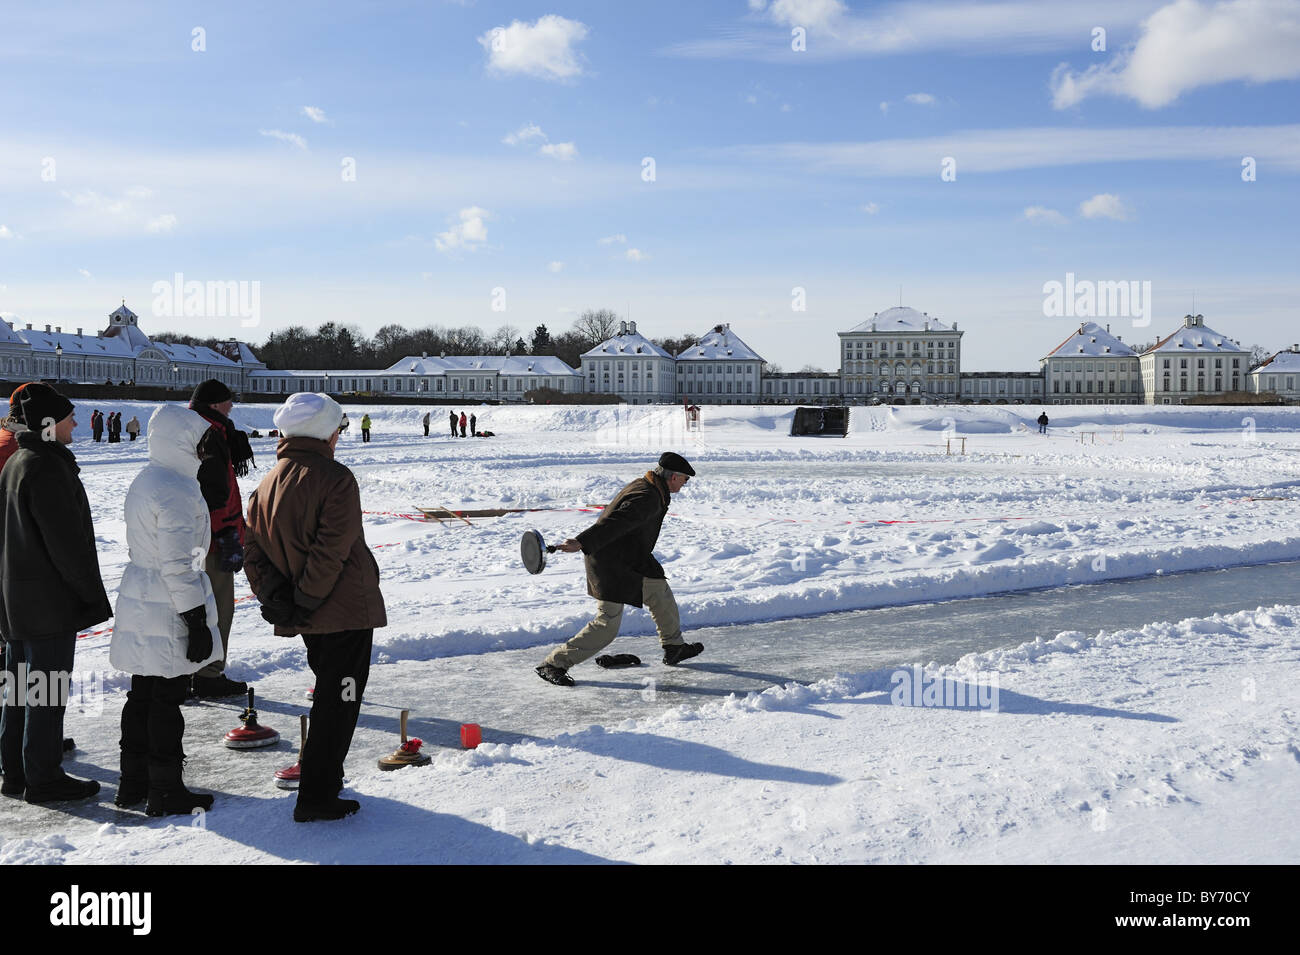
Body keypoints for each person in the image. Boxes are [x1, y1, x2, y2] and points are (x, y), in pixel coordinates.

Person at [243, 393, 386, 823]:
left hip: (307, 614)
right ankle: (318, 793)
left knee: (330, 695)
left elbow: (252, 551)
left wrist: (279, 601)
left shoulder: (268, 481)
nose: (340, 437)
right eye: (338, 430)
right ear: (327, 432)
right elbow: (331, 552)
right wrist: (301, 602)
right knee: (339, 700)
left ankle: (324, 780)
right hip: (340, 612)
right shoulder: (335, 478)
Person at [0, 383, 112, 802]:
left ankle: (14, 772)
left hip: (16, 602)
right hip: (46, 604)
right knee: (44, 695)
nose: (76, 422)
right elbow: (66, 545)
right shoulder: (46, 466)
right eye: (69, 416)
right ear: (49, 423)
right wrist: (88, 595)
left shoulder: (18, 462)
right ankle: (43, 778)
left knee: (18, 690)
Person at [110, 405, 223, 815]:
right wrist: (195, 620)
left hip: (143, 595)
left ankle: (133, 783)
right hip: (168, 600)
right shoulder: (175, 489)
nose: (204, 450)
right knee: (166, 698)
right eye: (199, 441)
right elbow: (179, 564)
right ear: (182, 442)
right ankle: (166, 788)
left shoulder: (148, 477)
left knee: (141, 694)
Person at [536, 452, 702, 687]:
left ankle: (674, 647)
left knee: (659, 591)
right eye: (685, 479)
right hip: (609, 563)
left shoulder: (650, 486)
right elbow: (616, 523)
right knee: (607, 623)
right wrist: (582, 541)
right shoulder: (647, 496)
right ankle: (553, 664)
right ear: (673, 477)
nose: (685, 483)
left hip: (630, 558)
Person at [189, 380, 254, 699]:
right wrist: (228, 530)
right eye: (229, 401)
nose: (232, 406)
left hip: (197, 537)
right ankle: (208, 674)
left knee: (193, 605)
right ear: (215, 405)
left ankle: (191, 672)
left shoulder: (197, 429)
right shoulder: (212, 434)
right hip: (213, 538)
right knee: (218, 607)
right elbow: (214, 495)